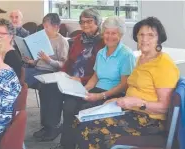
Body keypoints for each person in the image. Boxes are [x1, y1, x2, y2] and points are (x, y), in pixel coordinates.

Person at [75, 16, 179, 149]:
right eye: (141, 34)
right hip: (131, 111)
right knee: (80, 119)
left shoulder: (163, 64)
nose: (144, 39)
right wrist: (118, 99)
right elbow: (136, 88)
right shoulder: (142, 59)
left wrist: (138, 103)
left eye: (151, 35)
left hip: (150, 120)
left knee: (88, 128)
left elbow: (165, 106)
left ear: (159, 38)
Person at [57, 16, 136, 149]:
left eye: (114, 33)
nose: (109, 36)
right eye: (107, 32)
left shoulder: (126, 54)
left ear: (120, 35)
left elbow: (124, 85)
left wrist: (101, 96)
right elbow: (95, 76)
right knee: (69, 105)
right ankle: (66, 145)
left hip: (114, 94)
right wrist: (85, 90)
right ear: (103, 33)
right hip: (97, 90)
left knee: (84, 110)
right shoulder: (101, 52)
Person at [33, 8, 105, 147]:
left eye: (89, 21)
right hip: (71, 78)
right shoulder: (78, 39)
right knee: (47, 88)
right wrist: (63, 72)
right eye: (82, 22)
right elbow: (70, 61)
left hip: (87, 82)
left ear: (97, 22)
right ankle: (51, 127)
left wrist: (81, 80)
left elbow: (100, 72)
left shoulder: (102, 42)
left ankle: (65, 141)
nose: (85, 25)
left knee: (70, 106)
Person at [23, 13, 69, 87]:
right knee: (17, 74)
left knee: (24, 82)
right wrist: (31, 61)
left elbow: (63, 64)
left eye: (47, 27)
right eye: (44, 27)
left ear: (55, 27)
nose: (44, 29)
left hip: (48, 72)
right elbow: (38, 60)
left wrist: (49, 60)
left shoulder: (62, 41)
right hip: (36, 69)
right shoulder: (43, 38)